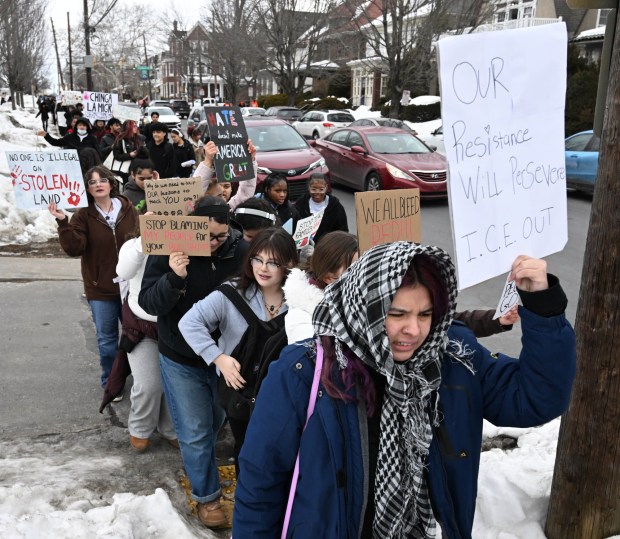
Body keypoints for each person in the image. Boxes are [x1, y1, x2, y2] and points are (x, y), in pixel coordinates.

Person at [234, 242, 576, 538]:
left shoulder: (454, 357)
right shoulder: (304, 373)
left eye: (426, 314)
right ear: (364, 306)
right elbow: (261, 487)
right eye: (396, 313)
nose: (413, 330)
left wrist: (541, 305)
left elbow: (536, 399)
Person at [138, 195, 248, 529]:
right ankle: (207, 498)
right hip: (182, 357)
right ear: (194, 228)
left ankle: (198, 461)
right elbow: (148, 302)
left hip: (226, 359)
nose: (215, 243)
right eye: (208, 236)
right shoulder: (170, 249)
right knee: (196, 431)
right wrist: (173, 277)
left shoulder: (241, 252)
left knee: (214, 422)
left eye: (221, 235)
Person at [179, 228, 298, 472]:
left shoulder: (300, 299)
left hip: (282, 392)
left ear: (288, 264)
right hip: (240, 392)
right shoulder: (232, 293)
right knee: (246, 450)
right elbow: (189, 322)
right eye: (258, 259)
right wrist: (218, 357)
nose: (263, 268)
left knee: (279, 453)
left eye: (273, 262)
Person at [284, 232, 520, 344]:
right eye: (354, 267)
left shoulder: (370, 296)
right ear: (328, 277)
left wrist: (496, 319)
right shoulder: (303, 317)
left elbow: (441, 322)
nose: (364, 274)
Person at [48, 166, 139, 388]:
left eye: (102, 180)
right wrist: (63, 222)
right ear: (87, 188)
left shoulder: (128, 209)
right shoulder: (83, 215)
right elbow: (74, 248)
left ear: (111, 183)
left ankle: (140, 380)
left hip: (132, 287)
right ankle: (111, 381)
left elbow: (141, 241)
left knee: (136, 338)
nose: (98, 184)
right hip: (101, 288)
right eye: (92, 182)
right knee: (107, 341)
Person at [115, 218, 177, 452]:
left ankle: (170, 428)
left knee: (174, 383)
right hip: (141, 327)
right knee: (149, 383)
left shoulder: (183, 243)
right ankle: (140, 428)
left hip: (175, 326)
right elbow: (123, 270)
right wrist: (144, 242)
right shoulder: (132, 245)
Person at [194, 139, 257, 211]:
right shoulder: (198, 211)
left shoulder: (230, 208)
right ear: (206, 192)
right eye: (218, 186)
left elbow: (246, 193)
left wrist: (249, 161)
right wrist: (208, 161)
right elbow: (193, 194)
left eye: (226, 186)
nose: (222, 190)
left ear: (231, 189)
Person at [295, 173, 349, 244]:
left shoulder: (336, 206)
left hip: (329, 248)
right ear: (309, 187)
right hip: (305, 248)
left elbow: (343, 231)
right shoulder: (300, 204)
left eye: (321, 189)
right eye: (313, 189)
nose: (317, 193)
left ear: (326, 187)